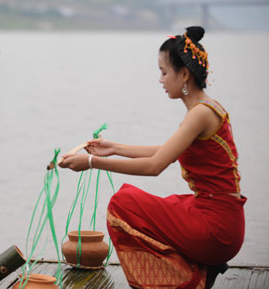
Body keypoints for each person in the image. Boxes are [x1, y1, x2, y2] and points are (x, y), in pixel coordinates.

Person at [59, 26, 246, 289]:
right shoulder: (206, 108)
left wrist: (92, 163)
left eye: (163, 72)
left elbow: (156, 165)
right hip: (222, 220)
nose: (160, 80)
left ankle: (192, 277)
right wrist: (113, 147)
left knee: (123, 203)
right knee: (161, 204)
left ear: (183, 74)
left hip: (217, 231)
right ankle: (203, 266)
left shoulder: (200, 113)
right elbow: (166, 151)